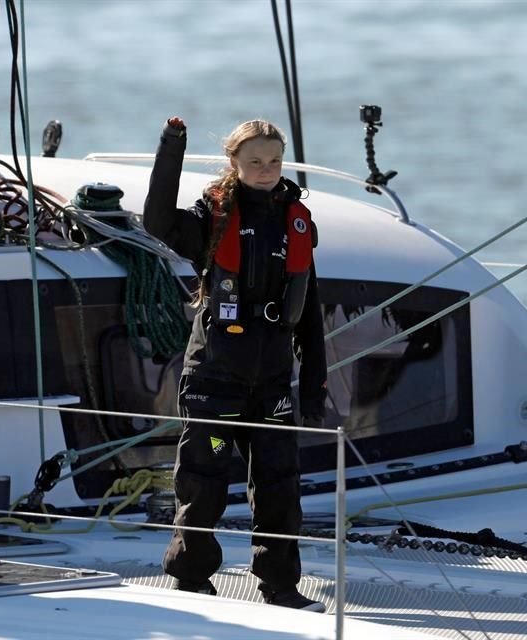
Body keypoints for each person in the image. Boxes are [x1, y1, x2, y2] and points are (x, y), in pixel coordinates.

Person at [143, 117, 328, 612]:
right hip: (215, 380)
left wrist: (314, 384)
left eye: (274, 161)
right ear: (235, 163)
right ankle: (191, 580)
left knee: (279, 487)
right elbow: (157, 222)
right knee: (203, 482)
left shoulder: (296, 222)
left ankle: (280, 586)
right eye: (255, 161)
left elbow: (309, 311)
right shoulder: (213, 218)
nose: (266, 169)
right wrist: (171, 148)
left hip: (272, 385)